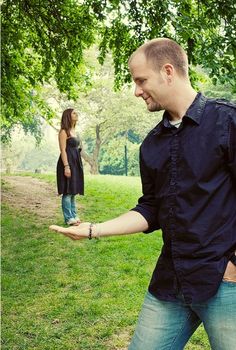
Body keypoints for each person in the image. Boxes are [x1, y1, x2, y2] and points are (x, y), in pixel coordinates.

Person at [50, 38, 236, 349]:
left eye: (140, 80)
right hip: (170, 281)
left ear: (167, 71)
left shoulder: (227, 121)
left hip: (225, 281)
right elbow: (150, 209)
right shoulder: (152, 144)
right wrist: (94, 230)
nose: (136, 91)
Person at [56, 108, 84, 225]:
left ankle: (74, 215)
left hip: (76, 162)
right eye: (73, 113)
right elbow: (63, 150)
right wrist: (66, 166)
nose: (76, 114)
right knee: (67, 191)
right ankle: (68, 218)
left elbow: (77, 148)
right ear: (68, 116)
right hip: (67, 163)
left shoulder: (75, 131)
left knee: (73, 191)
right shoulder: (64, 132)